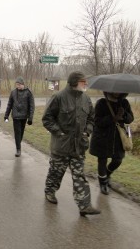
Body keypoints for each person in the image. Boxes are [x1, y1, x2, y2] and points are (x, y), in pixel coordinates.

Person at [42, 71, 101, 217]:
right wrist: (59, 133)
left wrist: (87, 131)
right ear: (74, 82)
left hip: (79, 146)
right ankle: (50, 191)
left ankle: (84, 205)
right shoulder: (58, 97)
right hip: (61, 146)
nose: (86, 84)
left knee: (79, 175)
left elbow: (92, 118)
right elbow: (47, 118)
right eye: (83, 82)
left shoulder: (86, 99)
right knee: (56, 172)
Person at [90, 92, 134, 195]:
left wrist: (124, 114)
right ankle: (103, 182)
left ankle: (107, 174)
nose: (117, 93)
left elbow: (131, 119)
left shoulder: (124, 102)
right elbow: (97, 121)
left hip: (118, 137)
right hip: (103, 136)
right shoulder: (101, 103)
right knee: (102, 160)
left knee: (118, 160)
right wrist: (113, 118)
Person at [4, 77, 35, 157]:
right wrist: (6, 115)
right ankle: (18, 149)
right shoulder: (13, 92)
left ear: (23, 84)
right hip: (16, 116)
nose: (18, 86)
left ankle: (18, 145)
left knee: (21, 133)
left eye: (19, 85)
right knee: (17, 132)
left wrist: (30, 117)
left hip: (24, 116)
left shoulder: (28, 93)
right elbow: (9, 104)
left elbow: (32, 106)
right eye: (16, 85)